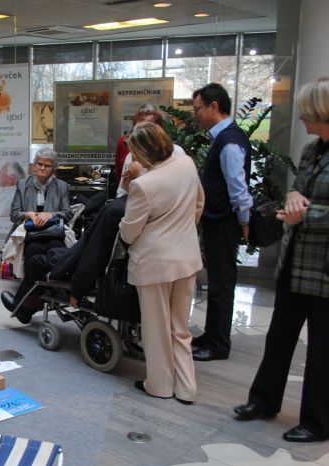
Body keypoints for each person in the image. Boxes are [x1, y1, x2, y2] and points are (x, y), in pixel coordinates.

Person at [233, 77, 329, 443]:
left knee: (321, 350)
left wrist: (307, 214)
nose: (302, 118)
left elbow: (312, 208)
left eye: (306, 112)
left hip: (324, 270)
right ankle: (263, 400)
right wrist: (292, 198)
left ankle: (317, 422)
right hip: (295, 263)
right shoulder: (311, 149)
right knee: (279, 338)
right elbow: (298, 189)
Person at [119, 122, 204, 404]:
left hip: (154, 262)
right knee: (180, 327)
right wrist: (184, 229)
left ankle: (160, 385)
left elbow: (129, 231)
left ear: (143, 151)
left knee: (156, 328)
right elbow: (199, 203)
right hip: (186, 257)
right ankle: (187, 387)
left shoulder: (144, 185)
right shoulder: (187, 164)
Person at [191, 82, 253, 361]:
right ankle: (211, 334)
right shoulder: (223, 138)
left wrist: (244, 221)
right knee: (216, 280)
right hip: (217, 222)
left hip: (224, 223)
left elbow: (237, 187)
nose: (196, 115)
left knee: (222, 284)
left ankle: (218, 344)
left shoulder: (229, 140)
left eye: (198, 109)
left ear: (213, 107)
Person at [0, 149, 72, 318]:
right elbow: (14, 214)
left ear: (53, 169)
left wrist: (50, 215)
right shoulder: (23, 184)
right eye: (39, 164)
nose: (42, 168)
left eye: (47, 165)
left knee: (53, 254)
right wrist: (29, 214)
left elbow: (67, 213)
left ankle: (22, 307)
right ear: (34, 165)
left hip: (53, 232)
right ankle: (29, 307)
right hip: (31, 232)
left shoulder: (61, 186)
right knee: (34, 254)